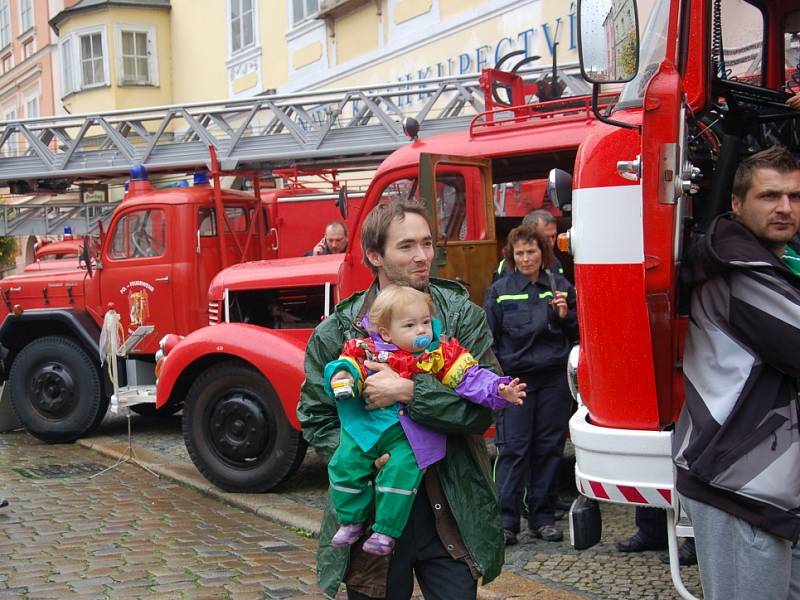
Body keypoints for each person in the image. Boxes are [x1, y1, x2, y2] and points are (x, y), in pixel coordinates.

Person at [298, 200, 506, 600]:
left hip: (451, 506)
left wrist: (411, 393)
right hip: (375, 513)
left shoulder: (461, 316)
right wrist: (365, 451)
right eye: (407, 246)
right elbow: (315, 415)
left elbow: (484, 408)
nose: (423, 256)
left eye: (427, 244)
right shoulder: (338, 329)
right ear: (375, 255)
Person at [672, 146, 800, 599]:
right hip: (737, 480)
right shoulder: (739, 272)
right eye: (769, 196)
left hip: (762, 476)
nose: (785, 207)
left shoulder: (774, 262)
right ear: (737, 203)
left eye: (794, 196)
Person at [324, 284, 525, 556]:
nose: (421, 330)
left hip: (410, 436)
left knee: (402, 473)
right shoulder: (367, 349)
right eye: (410, 325)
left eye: (426, 322)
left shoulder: (439, 354)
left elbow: (470, 376)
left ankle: (385, 531)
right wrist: (343, 378)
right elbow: (346, 365)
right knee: (344, 463)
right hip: (368, 429)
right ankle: (351, 519)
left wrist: (498, 389)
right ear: (386, 332)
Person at [485, 224, 578, 545]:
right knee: (513, 449)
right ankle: (506, 521)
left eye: (531, 252)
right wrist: (498, 382)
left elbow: (579, 335)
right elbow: (489, 340)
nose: (526, 259)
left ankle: (542, 518)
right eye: (520, 253)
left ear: (543, 253)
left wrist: (566, 316)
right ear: (511, 256)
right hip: (516, 381)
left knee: (549, 448)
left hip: (553, 380)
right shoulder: (500, 290)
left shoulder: (561, 287)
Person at [494, 209, 563, 281]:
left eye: (553, 236)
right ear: (528, 235)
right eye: (545, 238)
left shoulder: (555, 262)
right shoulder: (509, 266)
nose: (551, 243)